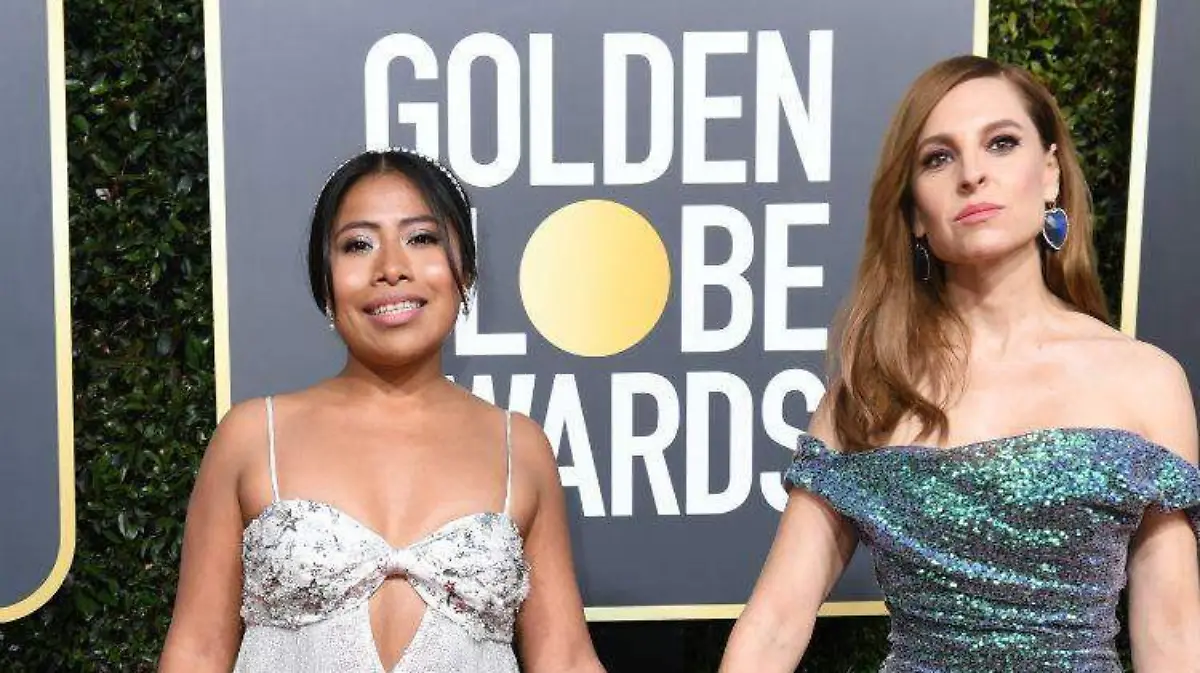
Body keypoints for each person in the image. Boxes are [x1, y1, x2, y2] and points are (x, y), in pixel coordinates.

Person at [720, 55, 1200, 671]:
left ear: (1050, 173)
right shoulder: (872, 391)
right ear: (915, 213)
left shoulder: (1146, 380)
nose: (973, 174)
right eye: (938, 158)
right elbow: (774, 626)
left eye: (1001, 143)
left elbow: (1172, 634)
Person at [160, 148, 605, 673]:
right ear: (325, 281)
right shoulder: (254, 436)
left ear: (464, 270)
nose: (391, 268)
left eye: (422, 238)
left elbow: (565, 658)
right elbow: (197, 651)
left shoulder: (520, 446)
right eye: (358, 245)